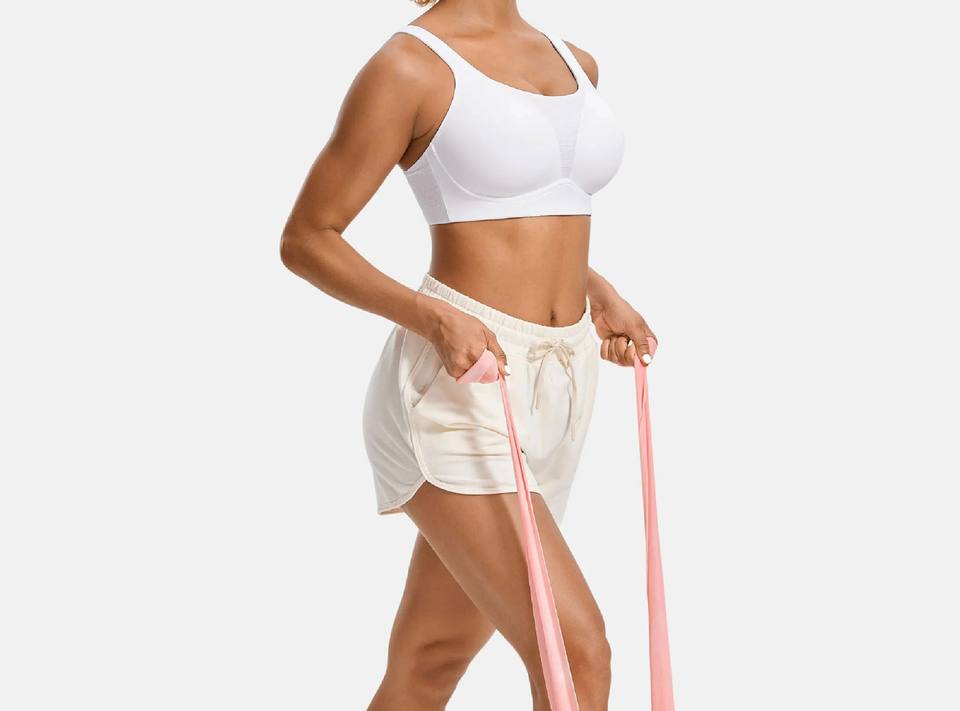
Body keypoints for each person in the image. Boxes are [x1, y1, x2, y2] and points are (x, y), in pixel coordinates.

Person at [280, 1, 657, 708]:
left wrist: (595, 289)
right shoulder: (410, 66)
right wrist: (430, 316)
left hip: (562, 381)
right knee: (576, 652)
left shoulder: (575, 61)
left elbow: (531, 217)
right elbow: (307, 238)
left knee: (431, 659)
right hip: (458, 386)